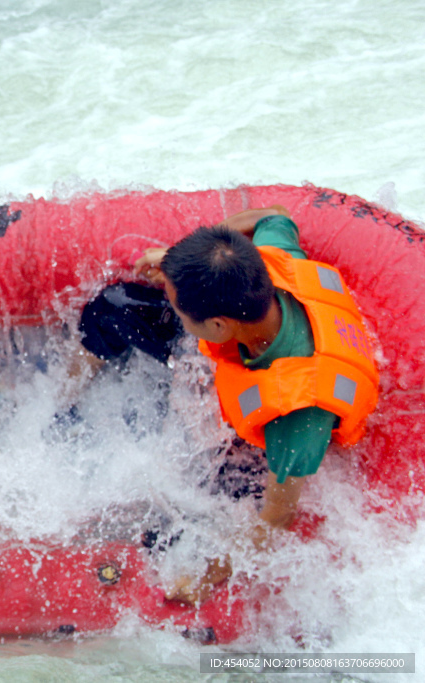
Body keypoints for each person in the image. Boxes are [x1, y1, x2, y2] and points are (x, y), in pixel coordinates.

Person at [78, 205, 379, 603]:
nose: (175, 312)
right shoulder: (269, 262)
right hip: (246, 351)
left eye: (180, 310)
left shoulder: (298, 414)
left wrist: (203, 581)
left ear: (217, 326)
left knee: (175, 511)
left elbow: (275, 522)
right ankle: (70, 391)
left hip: (266, 429)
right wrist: (176, 261)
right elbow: (274, 216)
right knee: (111, 307)